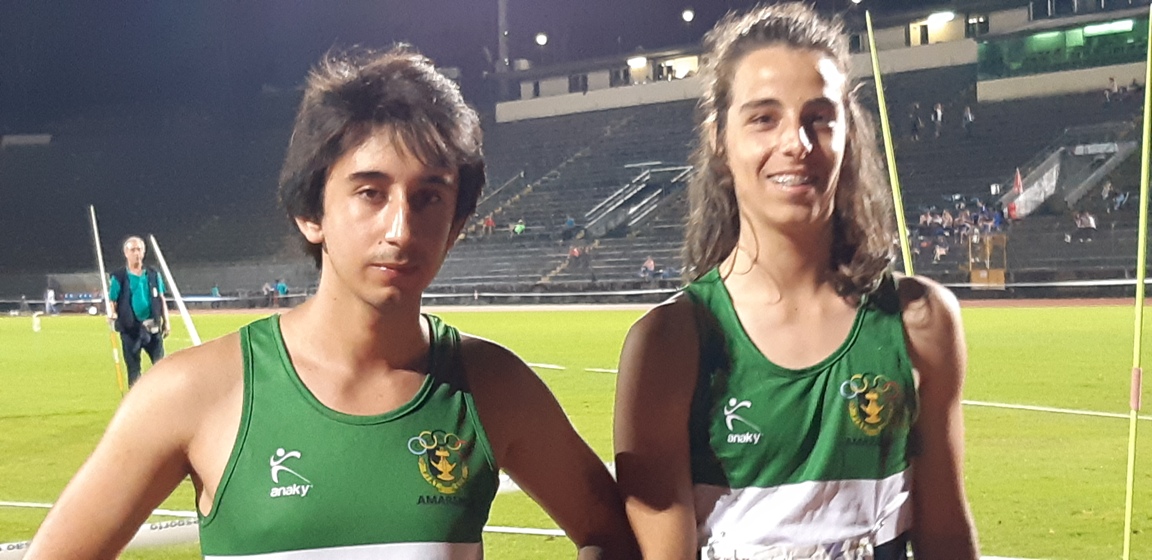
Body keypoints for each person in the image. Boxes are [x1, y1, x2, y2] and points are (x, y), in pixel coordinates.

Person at [25, 47, 636, 560]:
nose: (400, 229)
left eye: (429, 197)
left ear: (456, 222)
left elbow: (613, 537)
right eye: (370, 192)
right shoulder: (191, 392)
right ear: (310, 212)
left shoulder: (494, 387)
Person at [612, 4, 979, 559]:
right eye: (764, 118)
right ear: (718, 138)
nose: (797, 143)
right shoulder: (669, 345)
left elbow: (946, 534)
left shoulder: (920, 322)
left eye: (820, 118)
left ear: (848, 134)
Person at [107, 236, 170, 388]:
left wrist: (166, 321)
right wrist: (112, 314)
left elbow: (161, 299)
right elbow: (112, 300)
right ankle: (136, 399)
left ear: (144, 252)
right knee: (134, 370)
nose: (136, 253)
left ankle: (162, 396)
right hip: (130, 330)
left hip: (152, 327)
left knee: (161, 366)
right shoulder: (119, 277)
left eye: (139, 249)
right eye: (132, 250)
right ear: (126, 253)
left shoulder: (153, 274)